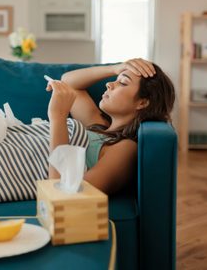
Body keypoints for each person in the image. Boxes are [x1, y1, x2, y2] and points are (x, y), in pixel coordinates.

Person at [46, 58, 175, 195]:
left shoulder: (124, 147)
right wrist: (115, 68)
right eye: (116, 79)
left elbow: (66, 194)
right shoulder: (96, 124)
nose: (109, 84)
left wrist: (58, 117)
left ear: (142, 103)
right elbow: (68, 82)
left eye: (123, 83)